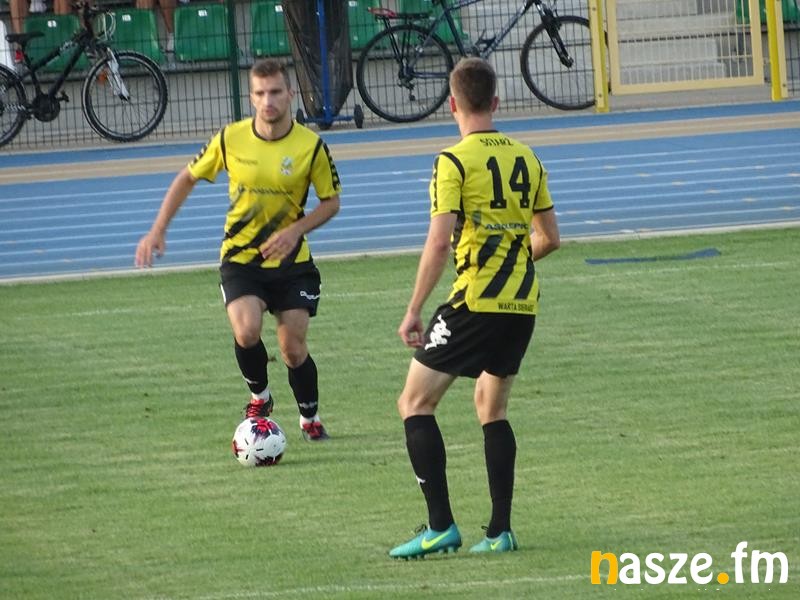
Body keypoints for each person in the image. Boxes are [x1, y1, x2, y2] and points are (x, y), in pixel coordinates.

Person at [388, 57, 561, 559]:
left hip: (474, 302)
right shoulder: (527, 157)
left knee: (414, 403)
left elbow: (439, 242)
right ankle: (500, 531)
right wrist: (510, 261)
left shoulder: (453, 161)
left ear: (453, 104)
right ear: (496, 102)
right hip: (521, 304)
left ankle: (440, 525)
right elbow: (550, 238)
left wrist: (414, 308)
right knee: (491, 407)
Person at [135, 58, 341, 442]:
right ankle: (260, 397)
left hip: (292, 264)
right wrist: (157, 230)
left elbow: (331, 202)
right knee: (246, 332)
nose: (268, 101)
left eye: (275, 92)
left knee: (292, 348)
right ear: (251, 97)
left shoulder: (311, 147)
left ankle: (309, 418)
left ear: (290, 94)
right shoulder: (230, 139)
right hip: (241, 259)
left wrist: (295, 231)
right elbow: (187, 177)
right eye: (260, 93)